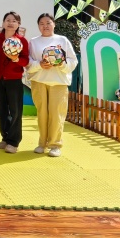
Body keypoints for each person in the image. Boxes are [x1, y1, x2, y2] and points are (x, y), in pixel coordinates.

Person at [26, 13, 78, 157]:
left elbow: (73, 61)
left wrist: (61, 64)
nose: (45, 26)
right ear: (38, 26)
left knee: (56, 114)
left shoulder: (63, 40)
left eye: (48, 23)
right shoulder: (33, 42)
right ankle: (42, 143)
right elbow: (28, 62)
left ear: (54, 24)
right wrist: (40, 64)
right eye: (42, 24)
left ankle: (55, 145)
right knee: (42, 113)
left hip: (58, 82)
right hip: (39, 82)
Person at [0, 11, 29, 154]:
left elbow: (25, 61)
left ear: (18, 24)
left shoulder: (22, 41)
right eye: (7, 20)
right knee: (2, 110)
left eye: (14, 21)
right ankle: (5, 137)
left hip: (14, 80)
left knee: (15, 111)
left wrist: (15, 59)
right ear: (3, 23)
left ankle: (14, 141)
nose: (10, 23)